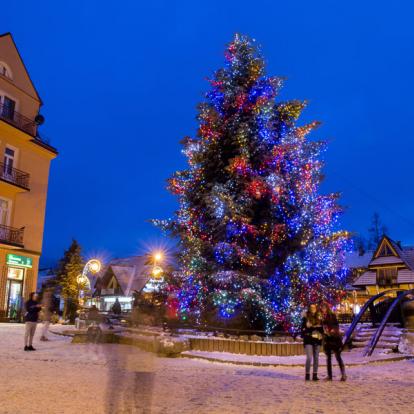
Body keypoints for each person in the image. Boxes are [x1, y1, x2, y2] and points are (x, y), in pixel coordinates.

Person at [321, 302, 347, 381]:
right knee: (328, 358)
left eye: (324, 308)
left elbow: (336, 325)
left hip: (334, 339)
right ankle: (330, 376)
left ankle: (343, 374)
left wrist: (333, 329)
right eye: (322, 308)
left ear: (327, 309)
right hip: (327, 339)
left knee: (338, 357)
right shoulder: (322, 317)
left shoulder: (331, 316)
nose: (323, 310)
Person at [301, 303, 323, 381]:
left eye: (314, 307)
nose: (313, 309)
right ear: (309, 308)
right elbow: (302, 329)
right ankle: (307, 374)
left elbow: (322, 328)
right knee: (309, 357)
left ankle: (315, 375)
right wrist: (308, 328)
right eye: (311, 307)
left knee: (316, 357)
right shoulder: (306, 317)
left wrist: (319, 328)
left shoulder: (319, 317)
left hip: (317, 339)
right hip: (309, 339)